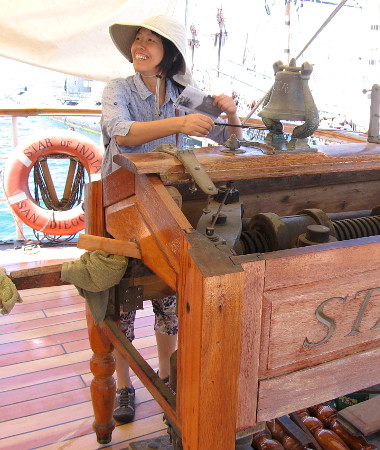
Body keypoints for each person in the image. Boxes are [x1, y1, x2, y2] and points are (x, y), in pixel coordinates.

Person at [101, 14, 243, 423]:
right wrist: (180, 123)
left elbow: (228, 141)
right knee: (122, 296)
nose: (139, 47)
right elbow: (121, 131)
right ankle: (126, 385)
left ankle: (165, 375)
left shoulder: (185, 92)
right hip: (122, 204)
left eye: (150, 41)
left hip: (167, 204)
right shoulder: (119, 89)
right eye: (137, 40)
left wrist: (229, 114)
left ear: (169, 53)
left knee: (167, 291)